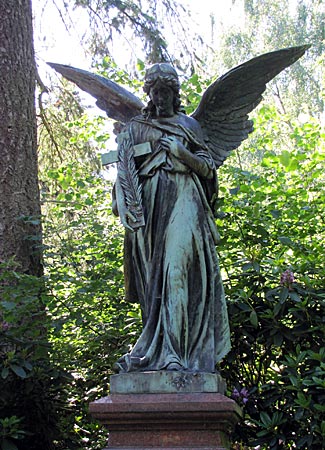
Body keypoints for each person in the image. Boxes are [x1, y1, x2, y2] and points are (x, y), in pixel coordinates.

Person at [113, 63, 230, 373]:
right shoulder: (136, 127)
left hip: (185, 197)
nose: (161, 97)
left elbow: (208, 169)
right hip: (149, 207)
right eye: (155, 92)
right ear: (149, 94)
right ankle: (157, 351)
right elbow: (123, 171)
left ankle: (175, 355)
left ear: (175, 94)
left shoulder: (189, 126)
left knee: (176, 269)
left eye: (166, 91)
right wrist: (126, 204)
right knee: (154, 284)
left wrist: (182, 153)